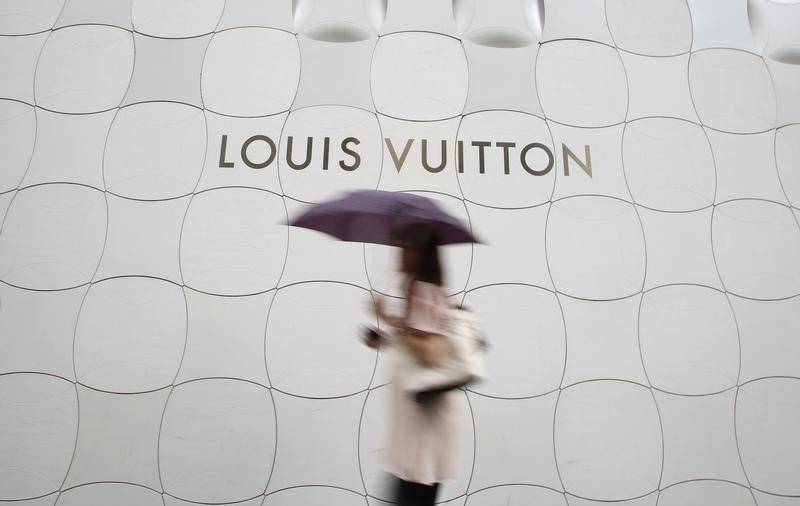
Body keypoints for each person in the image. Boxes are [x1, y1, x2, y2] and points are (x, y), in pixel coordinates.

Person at [365, 222, 460, 506]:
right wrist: (387, 331)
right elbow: (419, 339)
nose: (402, 254)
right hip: (419, 420)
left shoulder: (422, 291)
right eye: (402, 247)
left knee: (412, 496)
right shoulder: (422, 290)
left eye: (409, 248)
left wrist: (396, 328)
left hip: (424, 421)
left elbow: (430, 352)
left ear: (424, 254)